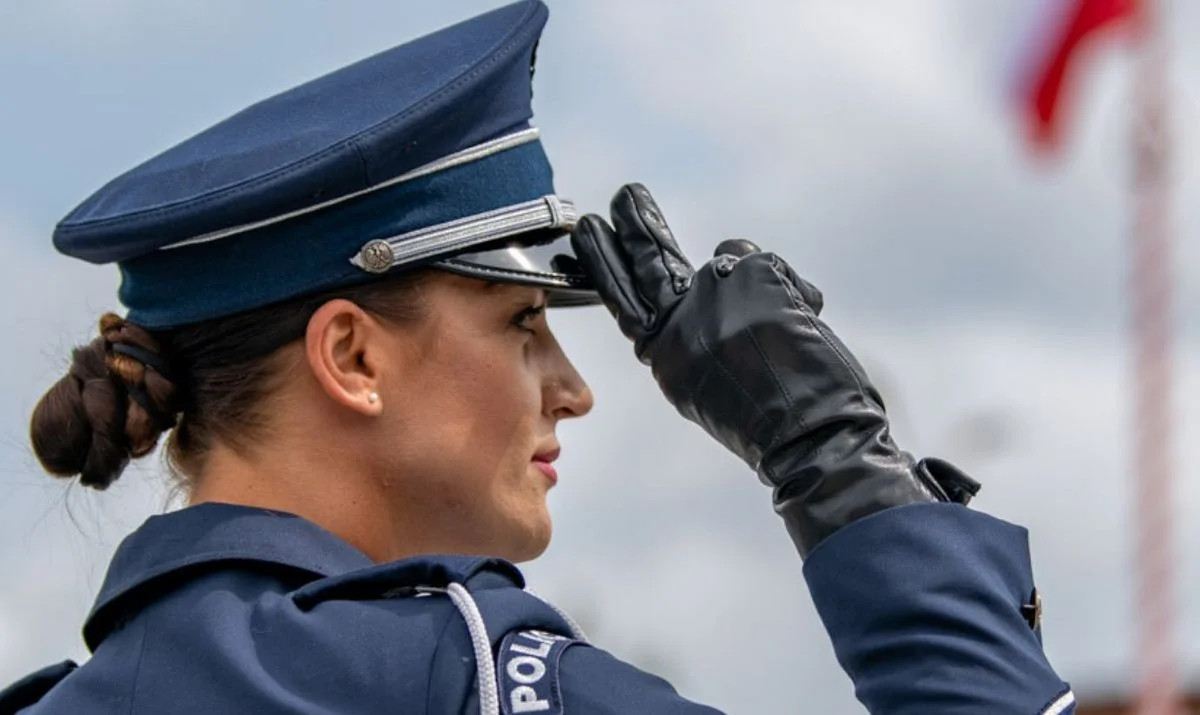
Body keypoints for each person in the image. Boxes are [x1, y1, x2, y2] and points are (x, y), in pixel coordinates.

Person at [0, 2, 1075, 713]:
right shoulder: (470, 680)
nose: (573, 387)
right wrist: (834, 458)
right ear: (352, 355)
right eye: (522, 323)